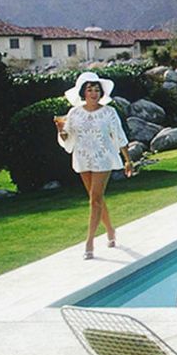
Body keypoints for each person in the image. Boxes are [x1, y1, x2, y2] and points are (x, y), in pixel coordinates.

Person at [55, 71, 133, 260]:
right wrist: (61, 131)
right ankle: (110, 231)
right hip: (82, 158)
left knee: (95, 199)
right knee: (96, 199)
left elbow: (119, 136)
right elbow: (68, 138)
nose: (93, 93)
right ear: (83, 92)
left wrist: (128, 160)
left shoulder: (109, 112)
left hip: (103, 158)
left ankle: (89, 242)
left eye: (96, 89)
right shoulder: (74, 113)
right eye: (90, 89)